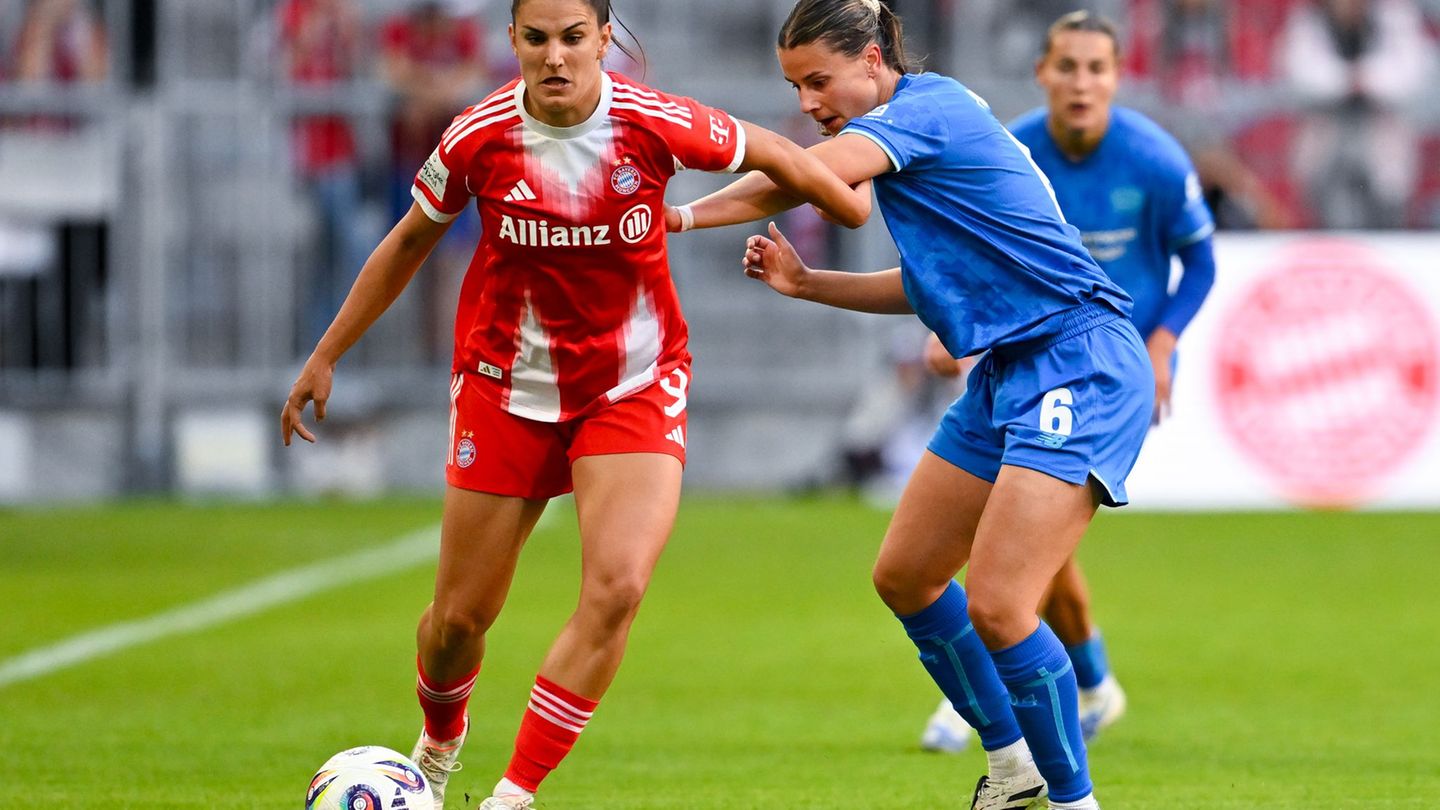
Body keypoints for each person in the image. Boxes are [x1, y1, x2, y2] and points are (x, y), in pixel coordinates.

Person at [280, 1, 868, 808]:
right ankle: (439, 744)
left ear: (602, 39)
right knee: (458, 621)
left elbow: (769, 148)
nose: (554, 56)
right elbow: (410, 239)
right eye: (537, 38)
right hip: (506, 386)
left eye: (572, 37)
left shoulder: (653, 122)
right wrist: (326, 353)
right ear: (513, 41)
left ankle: (512, 795)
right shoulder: (478, 136)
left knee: (618, 587)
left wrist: (844, 199)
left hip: (633, 384)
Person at [671, 1, 1153, 807]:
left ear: (871, 60)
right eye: (794, 88)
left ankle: (1076, 801)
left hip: (1078, 361)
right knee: (907, 575)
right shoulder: (911, 138)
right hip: (1011, 369)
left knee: (1001, 605)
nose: (808, 103)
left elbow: (805, 174)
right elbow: (929, 285)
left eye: (818, 81)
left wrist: (677, 210)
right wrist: (808, 283)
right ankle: (1013, 768)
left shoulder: (927, 109)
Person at [919, 9, 1219, 756]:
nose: (1081, 82)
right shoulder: (1012, 151)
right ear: (1041, 74)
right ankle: (1086, 682)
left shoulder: (1154, 160)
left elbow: (1201, 263)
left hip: (1106, 374)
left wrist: (1162, 343)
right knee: (1024, 540)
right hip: (1026, 359)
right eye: (1067, 66)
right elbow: (980, 253)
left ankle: (1003, 687)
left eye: (1096, 68)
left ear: (1117, 77)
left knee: (1018, 537)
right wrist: (950, 322)